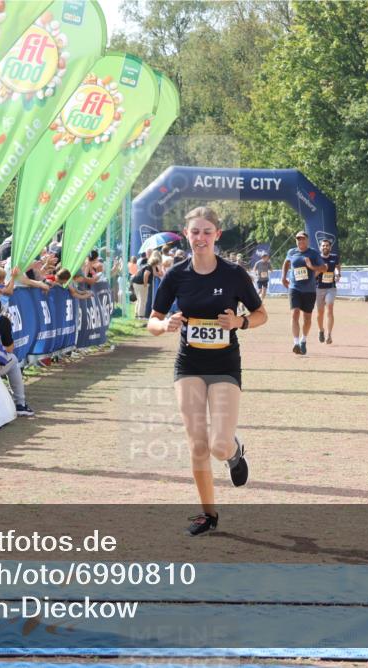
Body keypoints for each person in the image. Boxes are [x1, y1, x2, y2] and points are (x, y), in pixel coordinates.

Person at [147, 206, 268, 536]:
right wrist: (165, 324)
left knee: (217, 445)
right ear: (187, 235)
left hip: (225, 365)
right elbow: (151, 322)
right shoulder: (176, 275)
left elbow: (261, 314)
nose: (200, 237)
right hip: (189, 365)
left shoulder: (233, 274)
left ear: (217, 235)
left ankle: (234, 451)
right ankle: (208, 514)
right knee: (197, 444)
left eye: (206, 232)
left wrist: (240, 322)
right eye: (195, 232)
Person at [280, 230, 324, 355]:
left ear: (307, 240)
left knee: (307, 318)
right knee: (295, 314)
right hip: (294, 287)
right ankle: (295, 343)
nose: (300, 241)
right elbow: (286, 263)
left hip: (309, 290)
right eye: (298, 239)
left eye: (302, 238)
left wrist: (312, 267)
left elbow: (324, 268)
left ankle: (303, 340)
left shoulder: (313, 253)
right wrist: (283, 277)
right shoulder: (291, 252)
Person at [315, 238, 341, 344]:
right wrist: (321, 270)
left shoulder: (334, 257)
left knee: (330, 308)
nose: (325, 247)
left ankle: (329, 335)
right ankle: (321, 330)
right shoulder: (316, 259)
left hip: (331, 287)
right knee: (320, 312)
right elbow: (314, 274)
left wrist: (338, 274)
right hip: (319, 288)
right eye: (323, 245)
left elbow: (337, 266)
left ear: (330, 247)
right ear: (320, 247)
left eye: (327, 245)